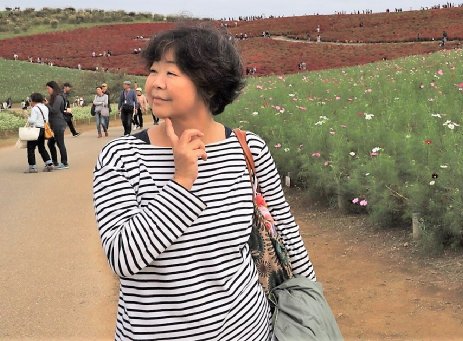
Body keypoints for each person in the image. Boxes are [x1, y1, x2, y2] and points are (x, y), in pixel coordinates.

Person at [93, 24, 316, 340]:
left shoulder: (248, 148)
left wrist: (311, 302)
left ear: (209, 84)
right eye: (154, 70)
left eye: (171, 74)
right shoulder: (121, 156)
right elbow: (123, 258)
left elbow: (287, 232)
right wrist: (181, 182)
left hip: (247, 330)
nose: (155, 83)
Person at [24, 93, 55, 173]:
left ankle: (32, 167)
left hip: (35, 130)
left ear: (34, 100)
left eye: (31, 100)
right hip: (43, 129)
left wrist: (27, 117)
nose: (30, 102)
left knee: (31, 148)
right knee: (41, 147)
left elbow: (33, 121)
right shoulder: (45, 107)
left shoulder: (35, 108)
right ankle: (49, 164)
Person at [45, 81, 69, 169]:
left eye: (48, 88)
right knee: (51, 143)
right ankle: (54, 162)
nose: (47, 90)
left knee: (60, 143)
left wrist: (47, 104)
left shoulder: (58, 98)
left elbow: (54, 111)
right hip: (53, 124)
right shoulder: (53, 97)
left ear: (53, 88)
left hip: (58, 123)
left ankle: (64, 162)